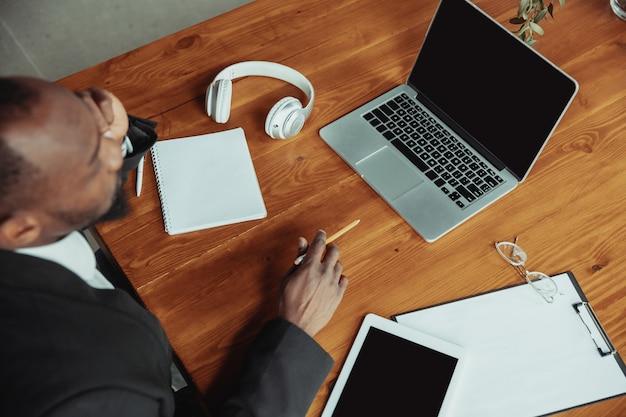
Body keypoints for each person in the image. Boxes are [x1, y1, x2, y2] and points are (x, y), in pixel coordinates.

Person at [0, 76, 349, 417]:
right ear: (20, 230)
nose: (112, 152)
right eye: (93, 158)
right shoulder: (90, 384)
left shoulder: (18, 216)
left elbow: (43, 187)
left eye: (81, 107)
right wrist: (296, 329)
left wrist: (116, 140)